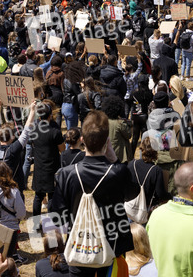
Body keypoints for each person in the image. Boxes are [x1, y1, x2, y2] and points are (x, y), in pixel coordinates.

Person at [52, 110, 138, 277]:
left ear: (82, 140)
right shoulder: (118, 172)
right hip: (112, 247)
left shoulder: (66, 174)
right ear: (107, 141)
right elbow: (132, 193)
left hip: (79, 246)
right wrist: (115, 159)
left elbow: (57, 217)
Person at [0, 97, 37, 195]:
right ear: (12, 137)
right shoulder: (13, 150)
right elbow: (26, 131)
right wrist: (32, 110)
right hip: (13, 188)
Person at [31, 101, 65, 217]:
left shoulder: (34, 130)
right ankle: (50, 222)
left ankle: (35, 223)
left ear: (39, 116)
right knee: (51, 196)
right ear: (50, 115)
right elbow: (62, 150)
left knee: (38, 196)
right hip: (52, 167)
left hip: (39, 167)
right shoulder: (55, 132)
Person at [127, 137, 168, 220]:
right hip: (145, 210)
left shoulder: (131, 164)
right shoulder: (156, 170)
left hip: (130, 209)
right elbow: (160, 194)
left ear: (141, 149)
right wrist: (170, 197)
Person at [102, 94, 133, 163]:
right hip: (119, 155)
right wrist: (129, 125)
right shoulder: (120, 123)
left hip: (107, 153)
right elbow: (129, 135)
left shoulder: (104, 122)